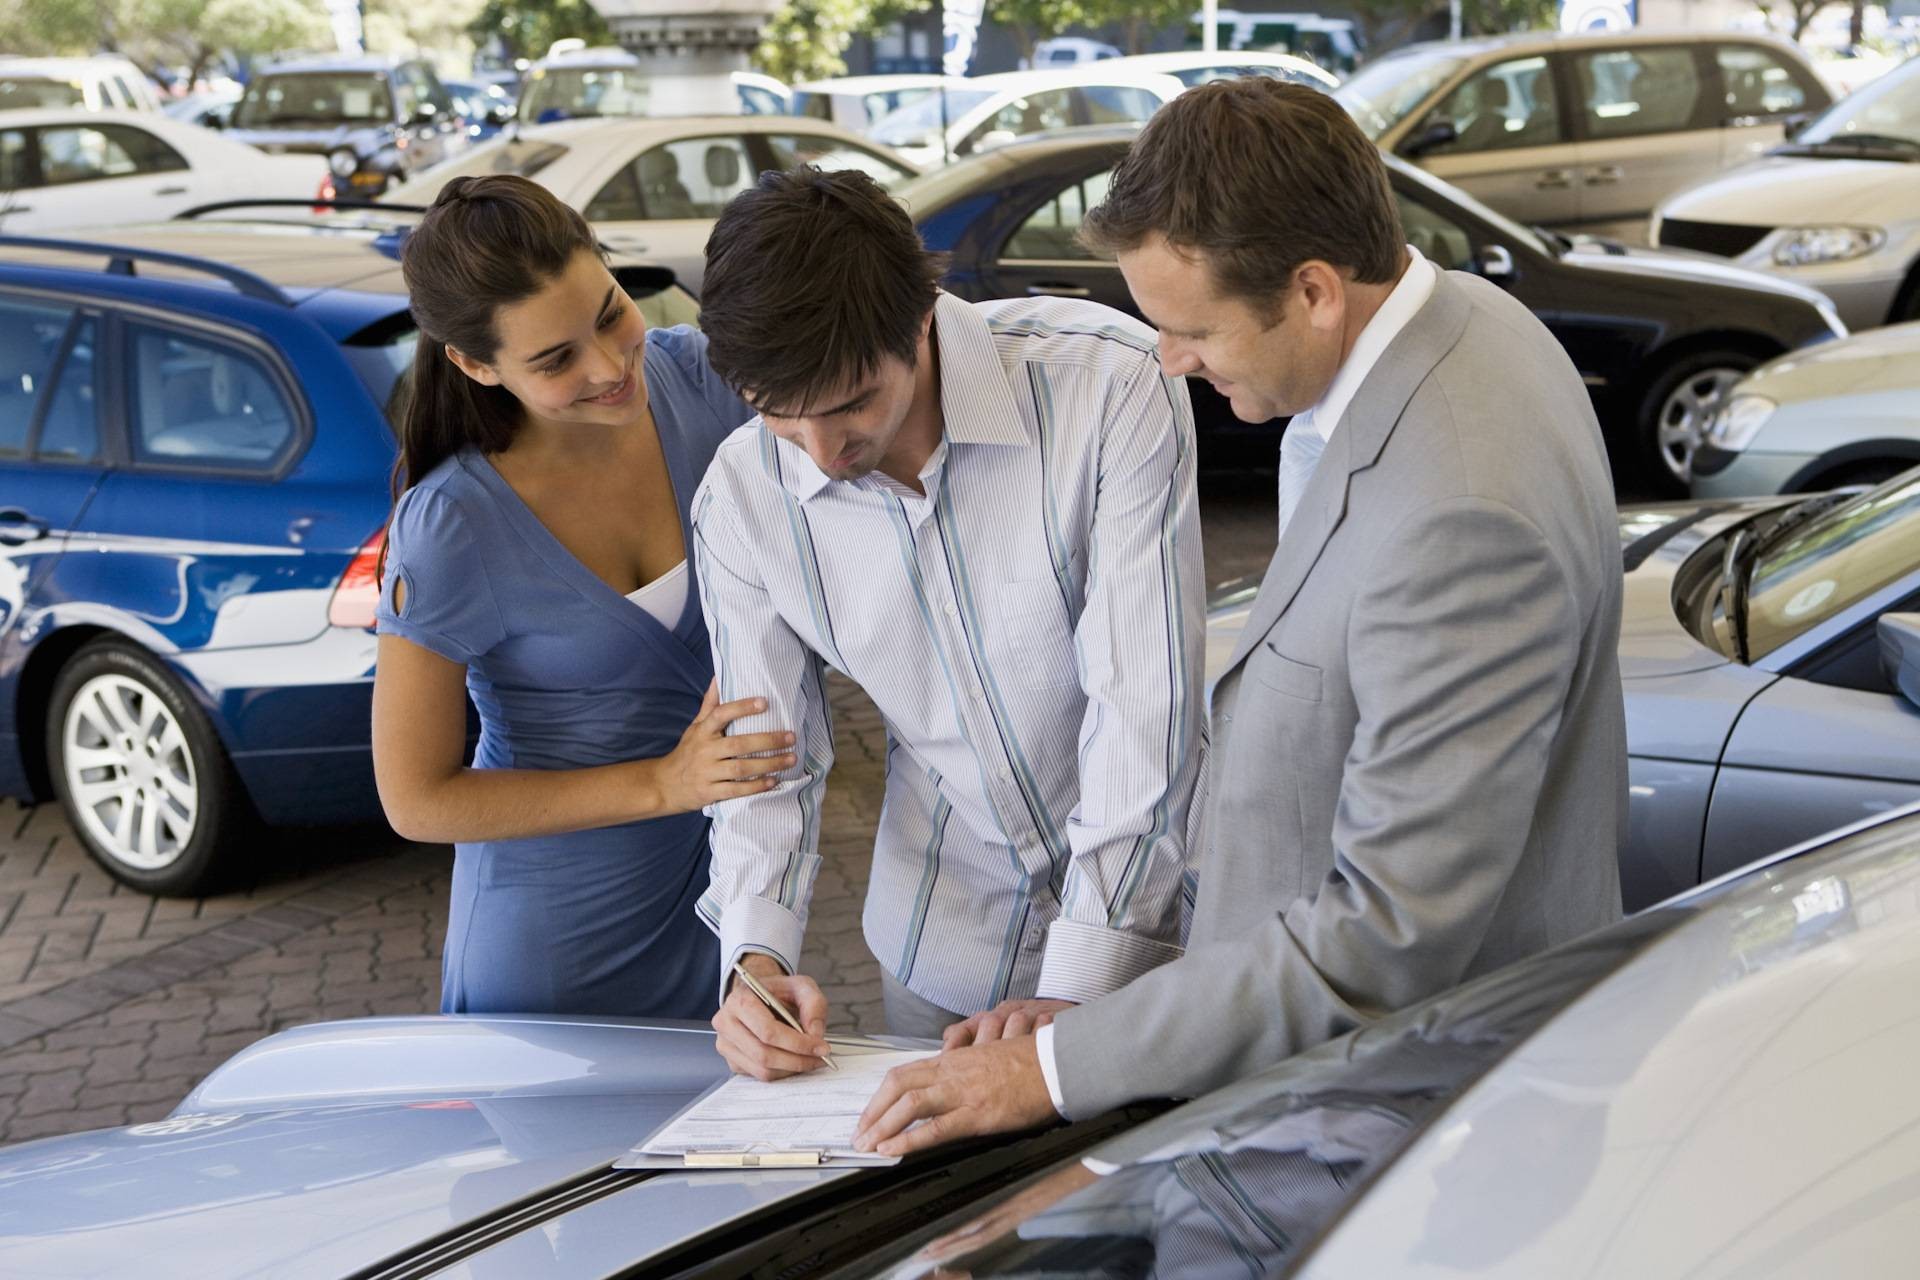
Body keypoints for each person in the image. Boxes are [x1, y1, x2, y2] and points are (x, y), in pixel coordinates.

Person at [854, 77, 1626, 1154]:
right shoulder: (1470, 322)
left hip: (1401, 1126)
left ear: (1314, 291)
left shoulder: (1459, 512)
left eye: (1193, 330)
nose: (1170, 361)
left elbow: (1384, 936)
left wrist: (1054, 1068)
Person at [689, 167, 1205, 1079]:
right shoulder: (739, 497)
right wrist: (755, 959)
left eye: (852, 403)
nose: (821, 454)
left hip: (1157, 940)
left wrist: (1080, 983)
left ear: (922, 317)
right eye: (779, 417)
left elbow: (1144, 703)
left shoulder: (1108, 383)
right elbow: (765, 758)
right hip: (940, 944)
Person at [371, 175, 792, 1018]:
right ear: (476, 365)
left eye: (608, 314)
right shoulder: (452, 525)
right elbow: (416, 800)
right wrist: (664, 784)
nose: (608, 365)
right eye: (556, 360)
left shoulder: (705, 384)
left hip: (730, 904)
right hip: (554, 946)